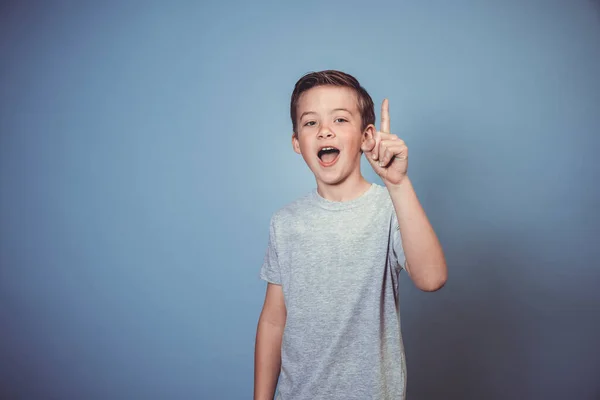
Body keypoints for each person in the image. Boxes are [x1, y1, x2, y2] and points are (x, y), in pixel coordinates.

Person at [254, 70, 447, 400]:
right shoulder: (285, 222)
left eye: (340, 120)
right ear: (297, 142)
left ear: (366, 136)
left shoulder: (392, 208)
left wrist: (398, 184)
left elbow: (431, 279)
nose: (325, 130)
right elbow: (273, 321)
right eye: (311, 122)